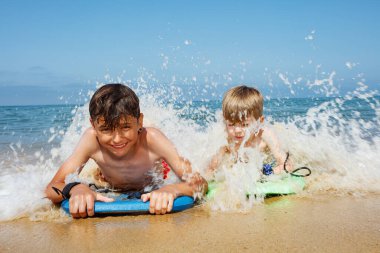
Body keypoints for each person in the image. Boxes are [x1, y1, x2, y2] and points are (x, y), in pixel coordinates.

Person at [45, 83, 207, 218]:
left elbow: (201, 185)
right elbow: (52, 187)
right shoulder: (91, 141)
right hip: (112, 185)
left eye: (126, 127)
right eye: (106, 129)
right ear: (93, 126)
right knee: (95, 178)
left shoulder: (152, 139)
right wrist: (76, 189)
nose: (117, 139)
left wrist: (173, 189)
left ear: (140, 121)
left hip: (153, 182)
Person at [207, 85, 293, 178]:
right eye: (231, 124)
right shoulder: (225, 139)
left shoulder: (265, 135)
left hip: (266, 165)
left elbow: (287, 165)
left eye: (245, 125)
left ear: (259, 122)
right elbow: (211, 169)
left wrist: (267, 172)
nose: (237, 130)